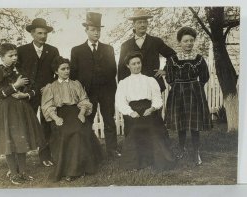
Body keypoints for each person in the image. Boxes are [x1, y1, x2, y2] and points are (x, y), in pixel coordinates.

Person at [0, 43, 45, 185]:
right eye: (10, 55)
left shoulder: (20, 71)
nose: (14, 58)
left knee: (20, 139)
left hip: (21, 109)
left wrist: (25, 94)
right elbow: (0, 93)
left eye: (15, 55)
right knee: (10, 140)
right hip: (6, 110)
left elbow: (34, 88)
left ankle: (23, 172)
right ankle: (13, 173)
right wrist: (15, 86)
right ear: (1, 57)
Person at [41, 56, 104, 182]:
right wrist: (56, 118)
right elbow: (47, 106)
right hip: (61, 114)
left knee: (80, 130)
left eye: (68, 68)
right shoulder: (51, 87)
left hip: (76, 112)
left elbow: (84, 100)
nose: (66, 71)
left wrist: (82, 112)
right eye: (63, 69)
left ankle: (83, 168)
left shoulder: (76, 84)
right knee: (66, 132)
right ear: (56, 71)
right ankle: (70, 170)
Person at [70, 12, 120, 158]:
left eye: (98, 30)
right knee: (87, 120)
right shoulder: (77, 50)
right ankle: (88, 150)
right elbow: (74, 73)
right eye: (92, 29)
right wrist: (81, 93)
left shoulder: (108, 49)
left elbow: (113, 70)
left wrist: (105, 83)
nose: (96, 32)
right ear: (86, 30)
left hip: (106, 91)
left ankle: (112, 149)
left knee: (109, 120)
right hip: (87, 93)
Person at [115, 51, 175, 170]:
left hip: (149, 110)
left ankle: (157, 160)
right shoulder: (123, 83)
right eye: (133, 64)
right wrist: (130, 112)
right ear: (128, 66)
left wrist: (152, 108)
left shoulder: (150, 80)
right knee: (135, 128)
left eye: (139, 63)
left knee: (153, 128)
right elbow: (120, 102)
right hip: (133, 112)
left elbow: (157, 98)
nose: (137, 66)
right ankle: (135, 162)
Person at [164, 26, 212, 165]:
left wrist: (195, 86)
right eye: (185, 41)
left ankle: (196, 152)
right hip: (178, 93)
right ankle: (182, 149)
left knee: (194, 124)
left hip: (194, 93)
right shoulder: (173, 59)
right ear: (180, 42)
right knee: (181, 122)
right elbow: (169, 77)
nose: (189, 43)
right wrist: (178, 86)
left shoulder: (199, 59)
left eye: (191, 40)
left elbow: (205, 76)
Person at [17, 18, 59, 167]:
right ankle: (20, 159)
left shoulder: (53, 51)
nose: (43, 36)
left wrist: (49, 85)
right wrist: (25, 87)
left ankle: (45, 155)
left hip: (46, 94)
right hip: (28, 94)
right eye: (40, 33)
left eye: (45, 33)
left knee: (47, 123)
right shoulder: (21, 51)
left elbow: (57, 71)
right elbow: (17, 71)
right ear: (32, 34)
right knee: (25, 123)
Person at [117, 9, 176, 92]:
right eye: (139, 22)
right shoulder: (125, 45)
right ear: (134, 24)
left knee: (156, 105)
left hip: (154, 84)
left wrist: (165, 70)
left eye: (144, 22)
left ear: (147, 23)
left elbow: (173, 55)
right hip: (134, 87)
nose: (142, 25)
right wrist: (122, 88)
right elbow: (121, 69)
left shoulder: (156, 41)